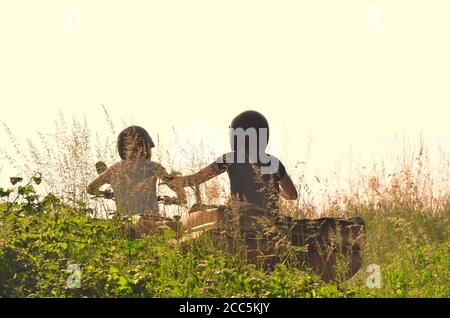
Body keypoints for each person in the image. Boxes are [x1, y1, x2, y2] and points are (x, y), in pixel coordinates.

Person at [172, 110, 298, 214]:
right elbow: (292, 195)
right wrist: (276, 191)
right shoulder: (274, 162)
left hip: (242, 216)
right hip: (271, 221)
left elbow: (195, 179)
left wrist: (170, 179)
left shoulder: (231, 158)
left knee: (196, 208)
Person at [87, 125, 185, 218]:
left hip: (125, 223)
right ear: (144, 146)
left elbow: (90, 189)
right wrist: (173, 199)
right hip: (151, 223)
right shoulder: (154, 167)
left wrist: (107, 194)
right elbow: (181, 195)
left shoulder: (113, 170)